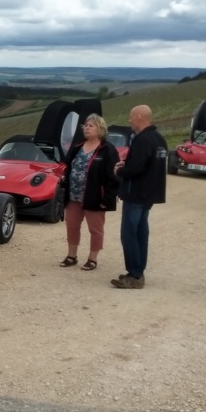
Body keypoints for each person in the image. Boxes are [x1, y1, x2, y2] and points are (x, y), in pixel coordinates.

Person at [111, 105, 167, 290]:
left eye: (131, 117)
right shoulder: (159, 140)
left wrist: (120, 170)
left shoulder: (142, 140)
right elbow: (149, 166)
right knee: (141, 233)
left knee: (129, 234)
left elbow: (136, 169)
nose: (129, 121)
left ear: (140, 117)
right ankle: (138, 271)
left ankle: (134, 274)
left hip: (136, 193)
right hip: (149, 194)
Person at [58, 113, 120, 271]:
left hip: (94, 197)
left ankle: (92, 259)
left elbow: (113, 176)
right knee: (72, 225)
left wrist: (108, 197)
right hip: (74, 195)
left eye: (90, 125)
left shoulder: (108, 150)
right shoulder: (78, 146)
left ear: (100, 128)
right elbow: (68, 166)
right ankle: (72, 256)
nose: (86, 128)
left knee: (95, 229)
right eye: (85, 125)